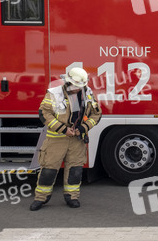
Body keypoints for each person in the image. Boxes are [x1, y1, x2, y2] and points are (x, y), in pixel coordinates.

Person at [30, 67, 102, 211]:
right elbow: (44, 114)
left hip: (77, 139)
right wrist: (63, 129)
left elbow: (96, 114)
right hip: (56, 139)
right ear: (68, 82)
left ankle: (72, 197)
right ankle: (40, 198)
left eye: (80, 86)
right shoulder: (54, 93)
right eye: (75, 85)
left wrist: (83, 128)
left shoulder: (87, 92)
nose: (77, 89)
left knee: (75, 170)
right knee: (48, 170)